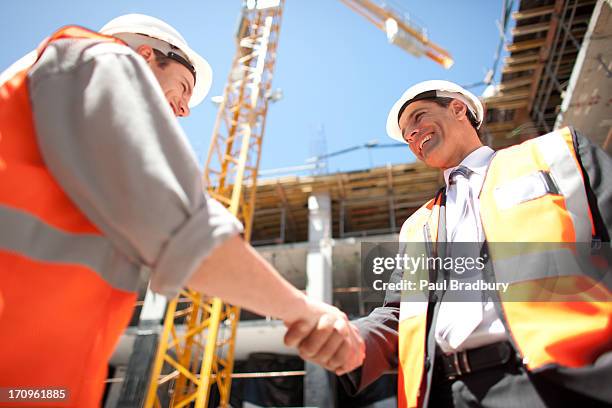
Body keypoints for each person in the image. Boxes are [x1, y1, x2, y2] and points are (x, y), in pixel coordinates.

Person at [0, 14, 353, 407]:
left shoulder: (69, 126)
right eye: (184, 87)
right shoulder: (101, 57)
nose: (184, 110)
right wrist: (306, 311)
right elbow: (185, 231)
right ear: (147, 55)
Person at [285, 80, 612, 407]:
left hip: (561, 378)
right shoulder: (417, 226)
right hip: (443, 393)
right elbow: (399, 314)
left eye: (418, 117)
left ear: (458, 108)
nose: (411, 135)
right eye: (405, 134)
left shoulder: (556, 153)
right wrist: (352, 339)